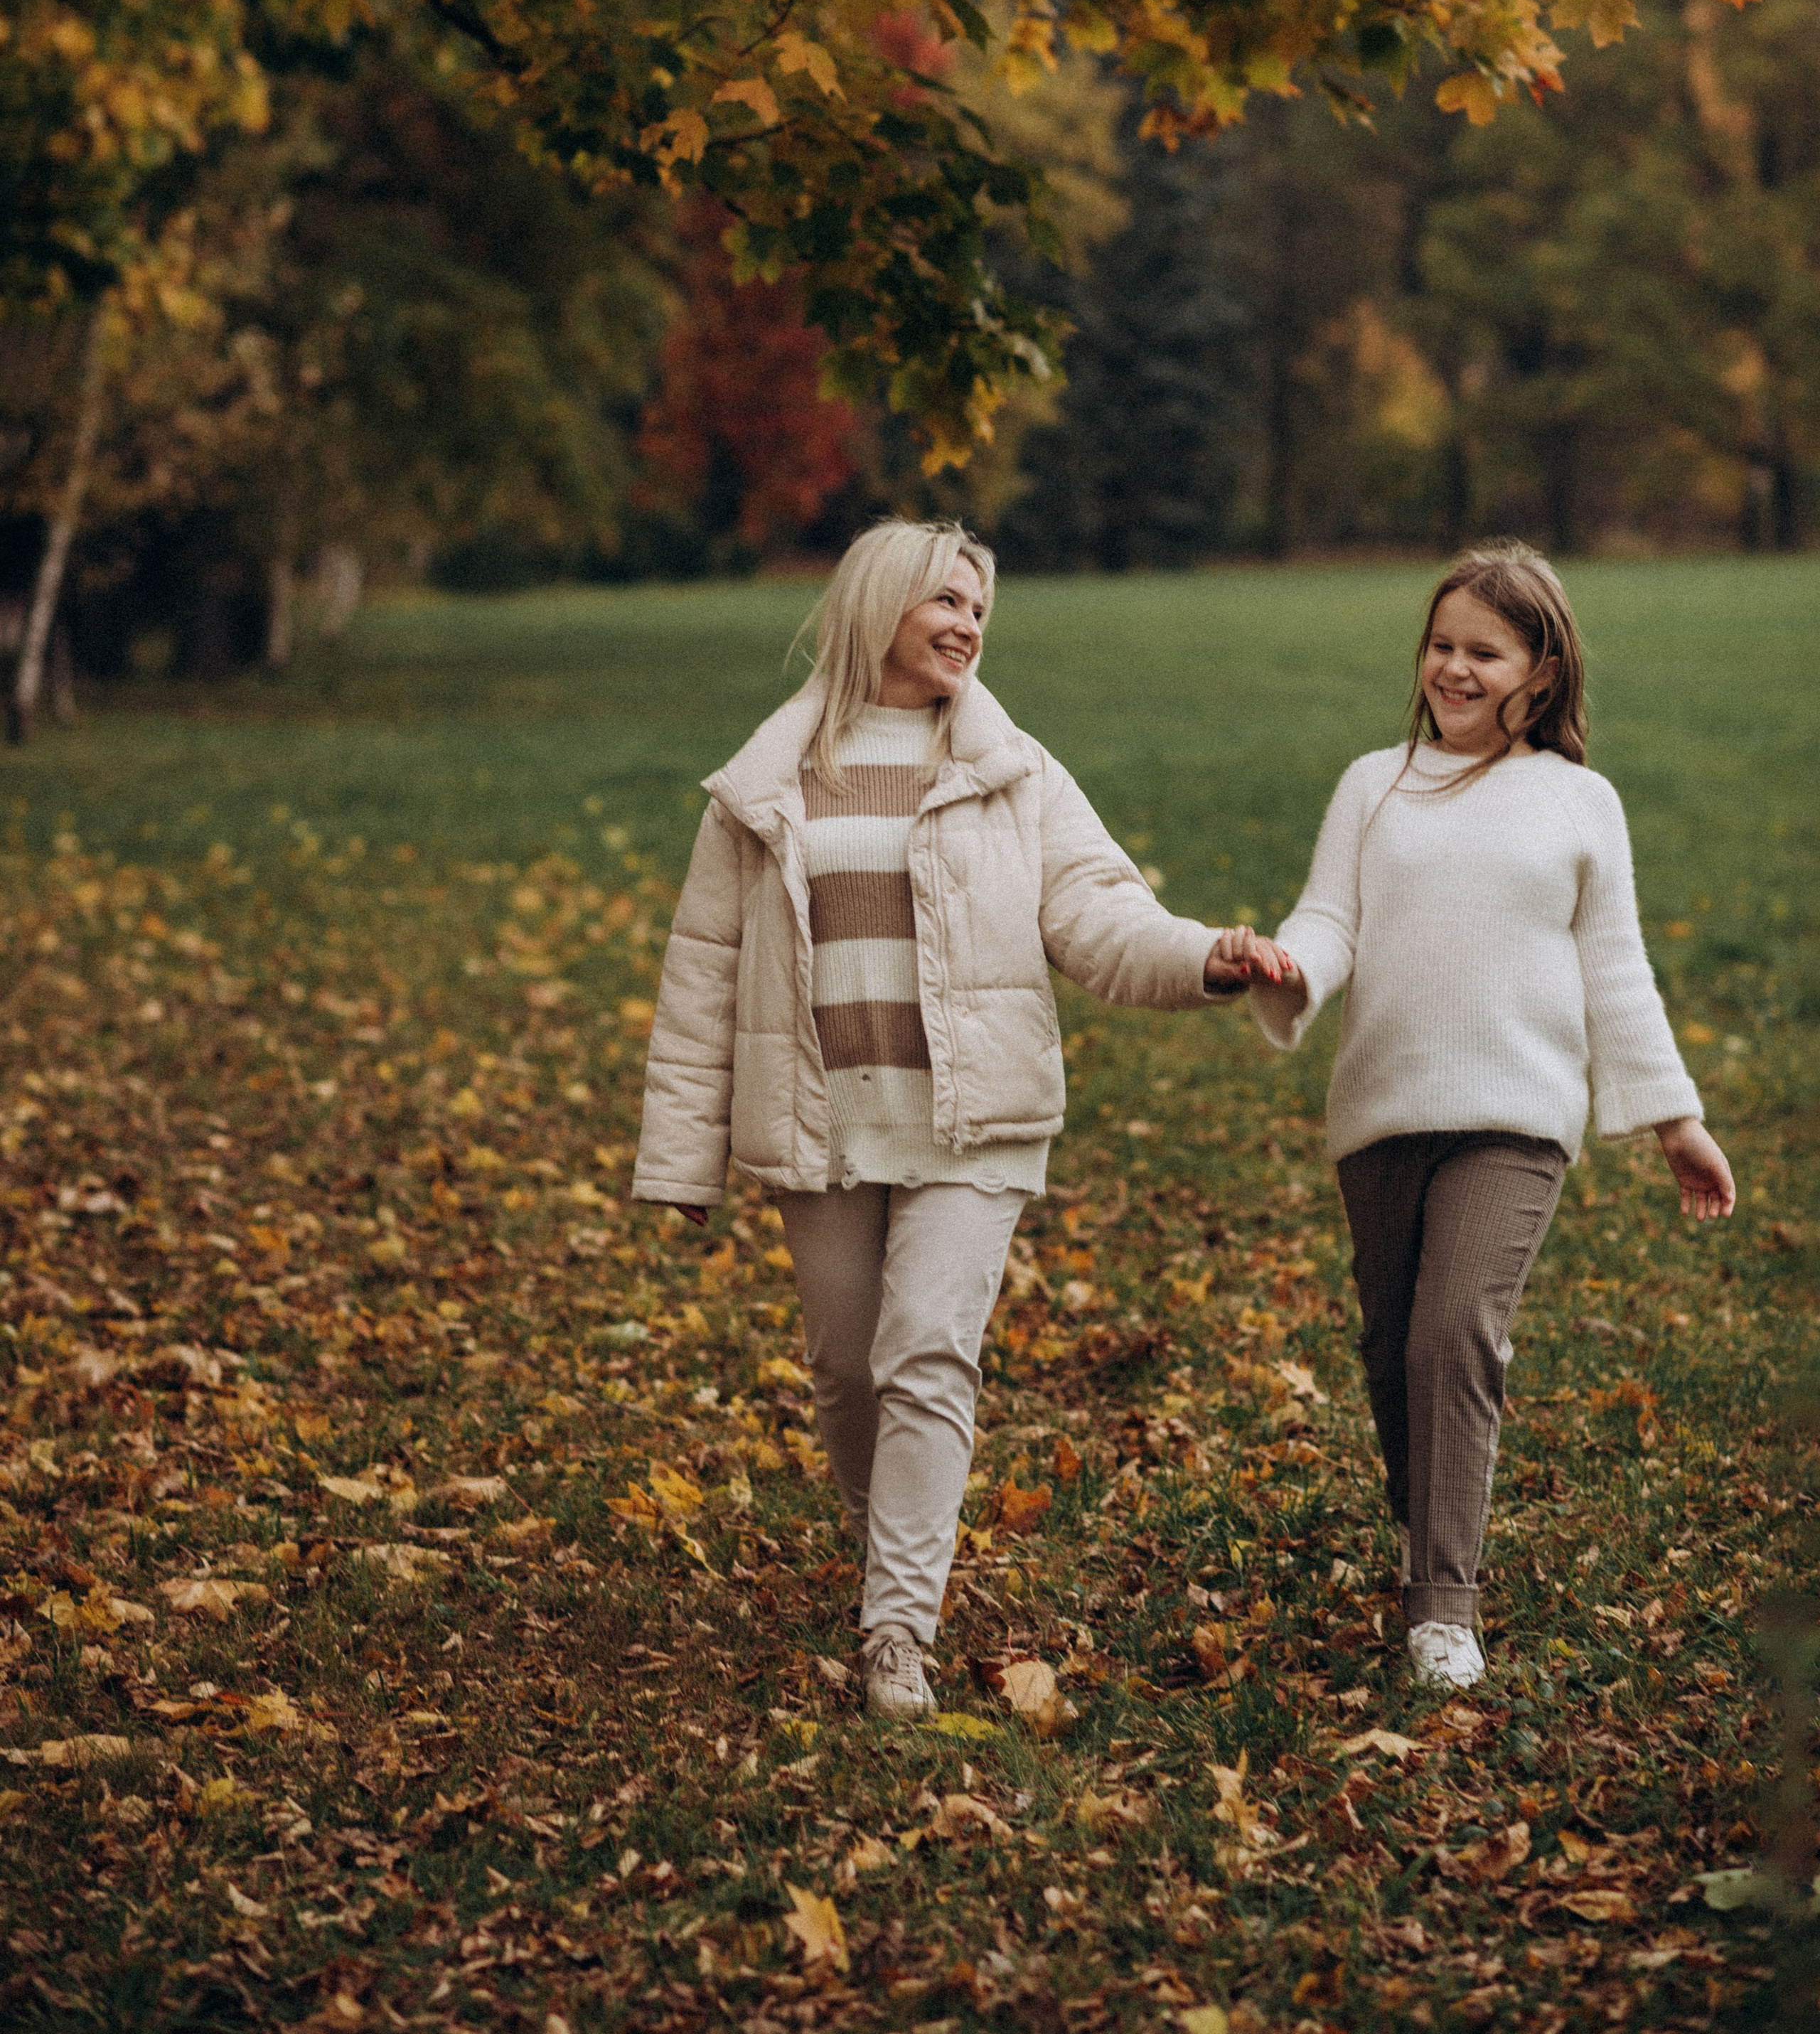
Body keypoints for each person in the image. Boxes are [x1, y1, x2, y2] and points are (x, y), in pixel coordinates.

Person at [633, 518, 1285, 1717]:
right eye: (946, 601)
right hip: (824, 1123)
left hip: (974, 1119)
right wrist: (681, 1163)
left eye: (981, 608)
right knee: (845, 1374)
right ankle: (891, 1544)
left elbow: (1099, 914)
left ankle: (897, 1633)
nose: (969, 625)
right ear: (876, 605)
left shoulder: (1014, 769)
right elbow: (703, 973)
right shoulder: (765, 783)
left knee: (926, 1349)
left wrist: (1206, 958)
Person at [1247, 542, 1733, 1693]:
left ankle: (1443, 1606)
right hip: (1382, 1109)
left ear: (1543, 673)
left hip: (1517, 1115)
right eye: (1441, 645)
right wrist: (1285, 969)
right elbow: (1330, 922)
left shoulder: (1578, 802)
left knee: (1452, 1329)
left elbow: (1616, 970)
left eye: (1484, 651)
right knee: (1389, 1353)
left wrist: (1676, 1121)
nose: (1454, 670)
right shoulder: (1376, 784)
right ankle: (1430, 1527)